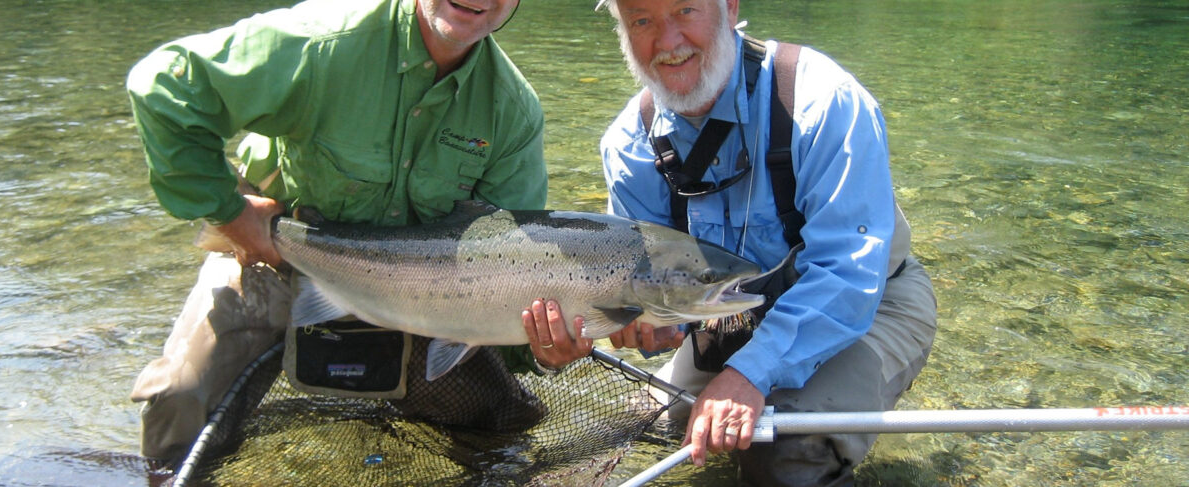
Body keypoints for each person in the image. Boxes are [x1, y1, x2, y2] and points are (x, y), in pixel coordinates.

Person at [125, 0, 590, 463]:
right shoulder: (322, 42)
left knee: (506, 419)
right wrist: (232, 216)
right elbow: (164, 85)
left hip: (417, 292)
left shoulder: (511, 111)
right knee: (178, 399)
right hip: (274, 253)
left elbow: (518, 269)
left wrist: (541, 348)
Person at [590, 0, 939, 485]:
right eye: (642, 20)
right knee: (637, 432)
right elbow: (655, 296)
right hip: (727, 313)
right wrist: (650, 328)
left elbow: (847, 274)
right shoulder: (629, 144)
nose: (667, 42)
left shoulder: (821, 101)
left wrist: (748, 374)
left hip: (869, 305)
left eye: (686, 10)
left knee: (782, 453)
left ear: (729, 7)